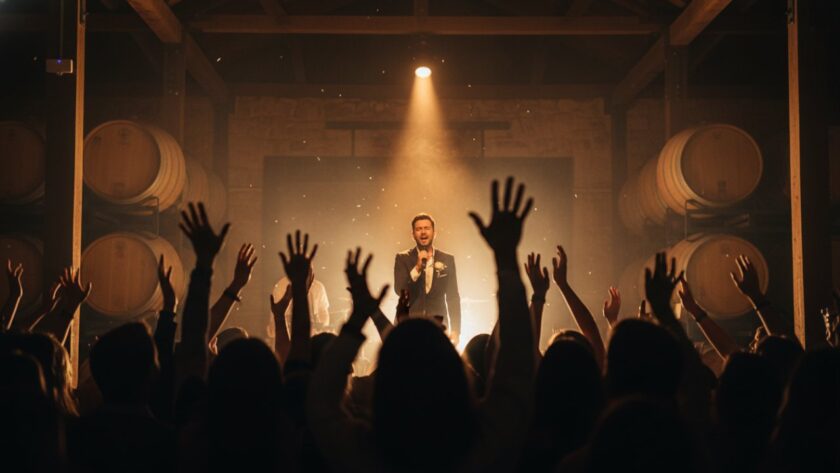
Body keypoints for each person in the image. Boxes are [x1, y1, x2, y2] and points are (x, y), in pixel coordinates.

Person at [394, 213, 462, 345]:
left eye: (427, 228)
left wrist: (456, 329)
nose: (423, 232)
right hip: (409, 326)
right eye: (418, 229)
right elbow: (400, 290)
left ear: (434, 232)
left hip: (438, 326)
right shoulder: (403, 258)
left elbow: (453, 296)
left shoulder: (447, 259)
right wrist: (418, 268)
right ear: (413, 234)